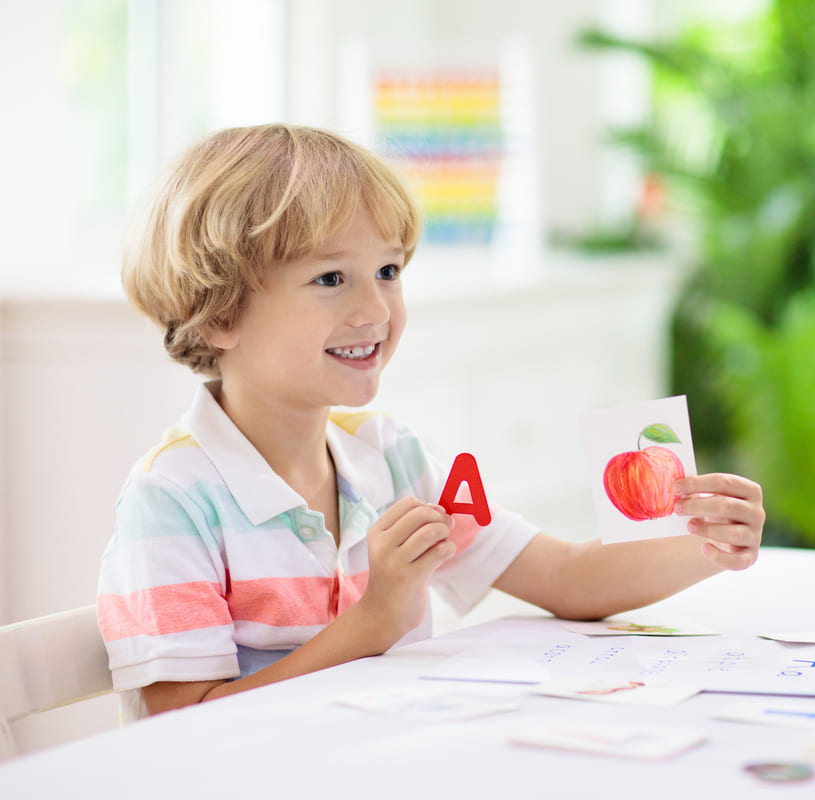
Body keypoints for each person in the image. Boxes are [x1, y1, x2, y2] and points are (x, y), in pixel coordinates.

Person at [97, 123, 765, 720]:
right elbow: (180, 728)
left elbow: (564, 576)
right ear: (219, 314)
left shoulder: (392, 460)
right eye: (332, 278)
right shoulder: (173, 500)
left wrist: (706, 545)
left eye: (388, 270)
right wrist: (374, 621)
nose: (376, 308)